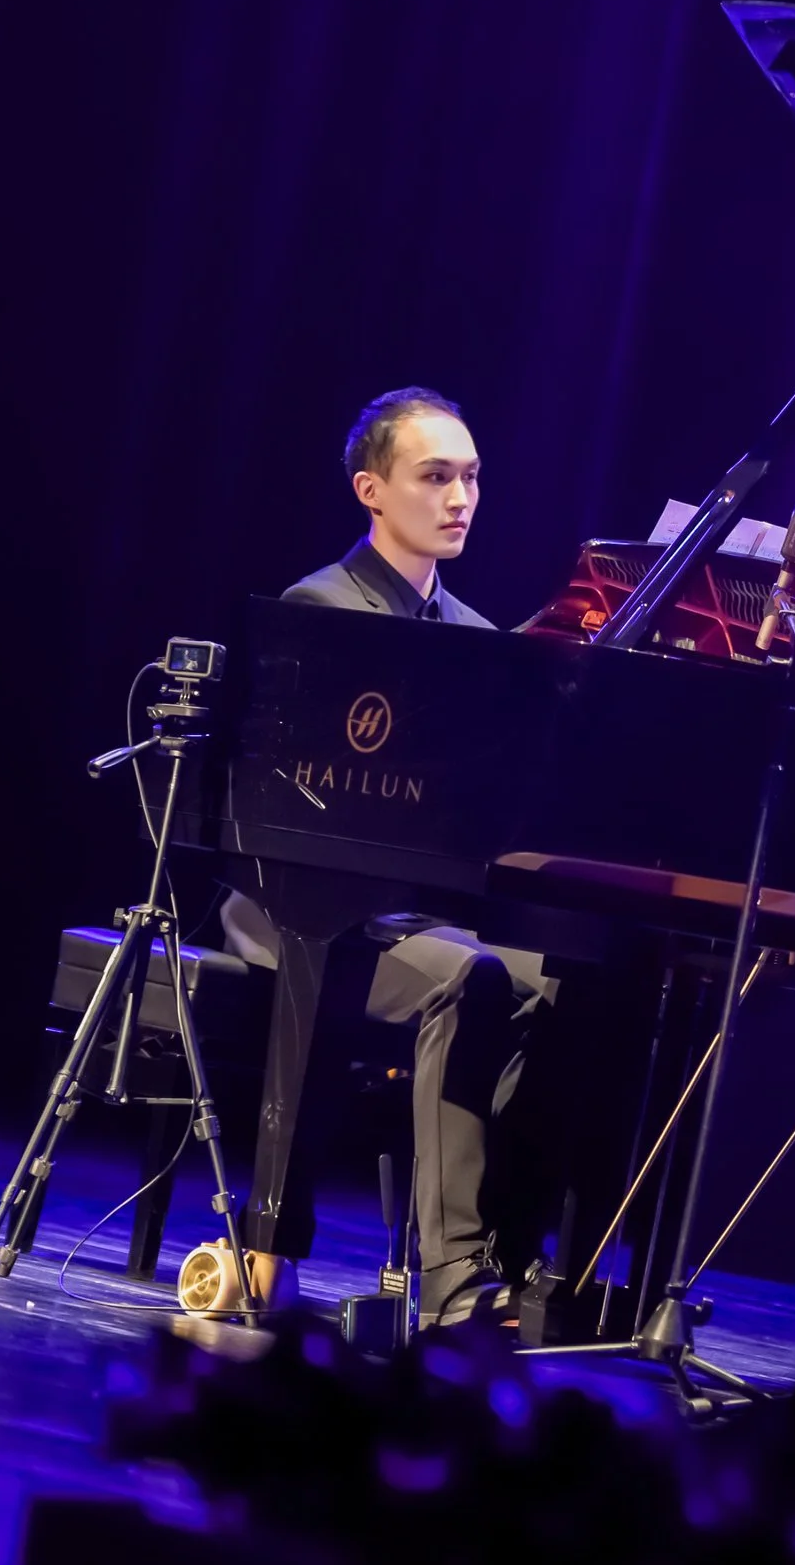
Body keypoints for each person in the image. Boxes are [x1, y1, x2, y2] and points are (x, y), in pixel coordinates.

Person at [219, 385, 551, 1329]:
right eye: (435, 476)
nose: (461, 498)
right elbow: (286, 804)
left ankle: (522, 1262)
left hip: (407, 916)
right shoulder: (320, 607)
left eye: (473, 478)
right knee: (474, 977)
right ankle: (449, 1280)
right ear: (372, 489)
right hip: (297, 905)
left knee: (569, 987)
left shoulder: (482, 642)